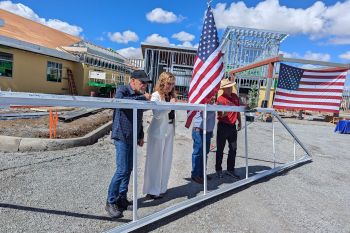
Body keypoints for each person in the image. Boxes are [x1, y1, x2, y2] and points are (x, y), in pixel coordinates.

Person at [105, 70, 152, 218]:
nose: (144, 85)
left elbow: (139, 114)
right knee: (122, 170)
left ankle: (121, 198)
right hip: (122, 135)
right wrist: (142, 97)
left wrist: (141, 134)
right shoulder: (122, 90)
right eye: (142, 82)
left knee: (129, 169)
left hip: (132, 136)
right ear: (132, 81)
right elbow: (122, 103)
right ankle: (110, 201)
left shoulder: (140, 95)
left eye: (145, 83)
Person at [143, 72, 176, 199]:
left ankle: (162, 188)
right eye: (168, 83)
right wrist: (170, 105)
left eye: (172, 84)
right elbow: (157, 114)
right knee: (155, 162)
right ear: (162, 82)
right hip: (157, 132)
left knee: (166, 161)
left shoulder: (170, 96)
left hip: (169, 130)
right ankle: (152, 190)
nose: (170, 86)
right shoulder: (156, 96)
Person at [215, 79, 241, 179]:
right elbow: (220, 114)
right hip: (223, 126)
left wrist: (240, 122)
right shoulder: (220, 99)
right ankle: (218, 169)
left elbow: (238, 110)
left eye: (230, 87)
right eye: (227, 87)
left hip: (232, 126)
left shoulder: (235, 97)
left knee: (233, 149)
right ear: (224, 89)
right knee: (220, 149)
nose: (230, 89)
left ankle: (230, 169)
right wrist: (225, 112)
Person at [190, 96, 216, 184]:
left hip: (207, 131)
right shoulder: (201, 101)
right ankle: (195, 174)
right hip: (199, 130)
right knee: (198, 153)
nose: (213, 96)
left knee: (205, 153)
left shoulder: (212, 104)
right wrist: (214, 107)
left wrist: (211, 131)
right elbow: (205, 116)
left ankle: (201, 173)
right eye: (211, 95)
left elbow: (211, 119)